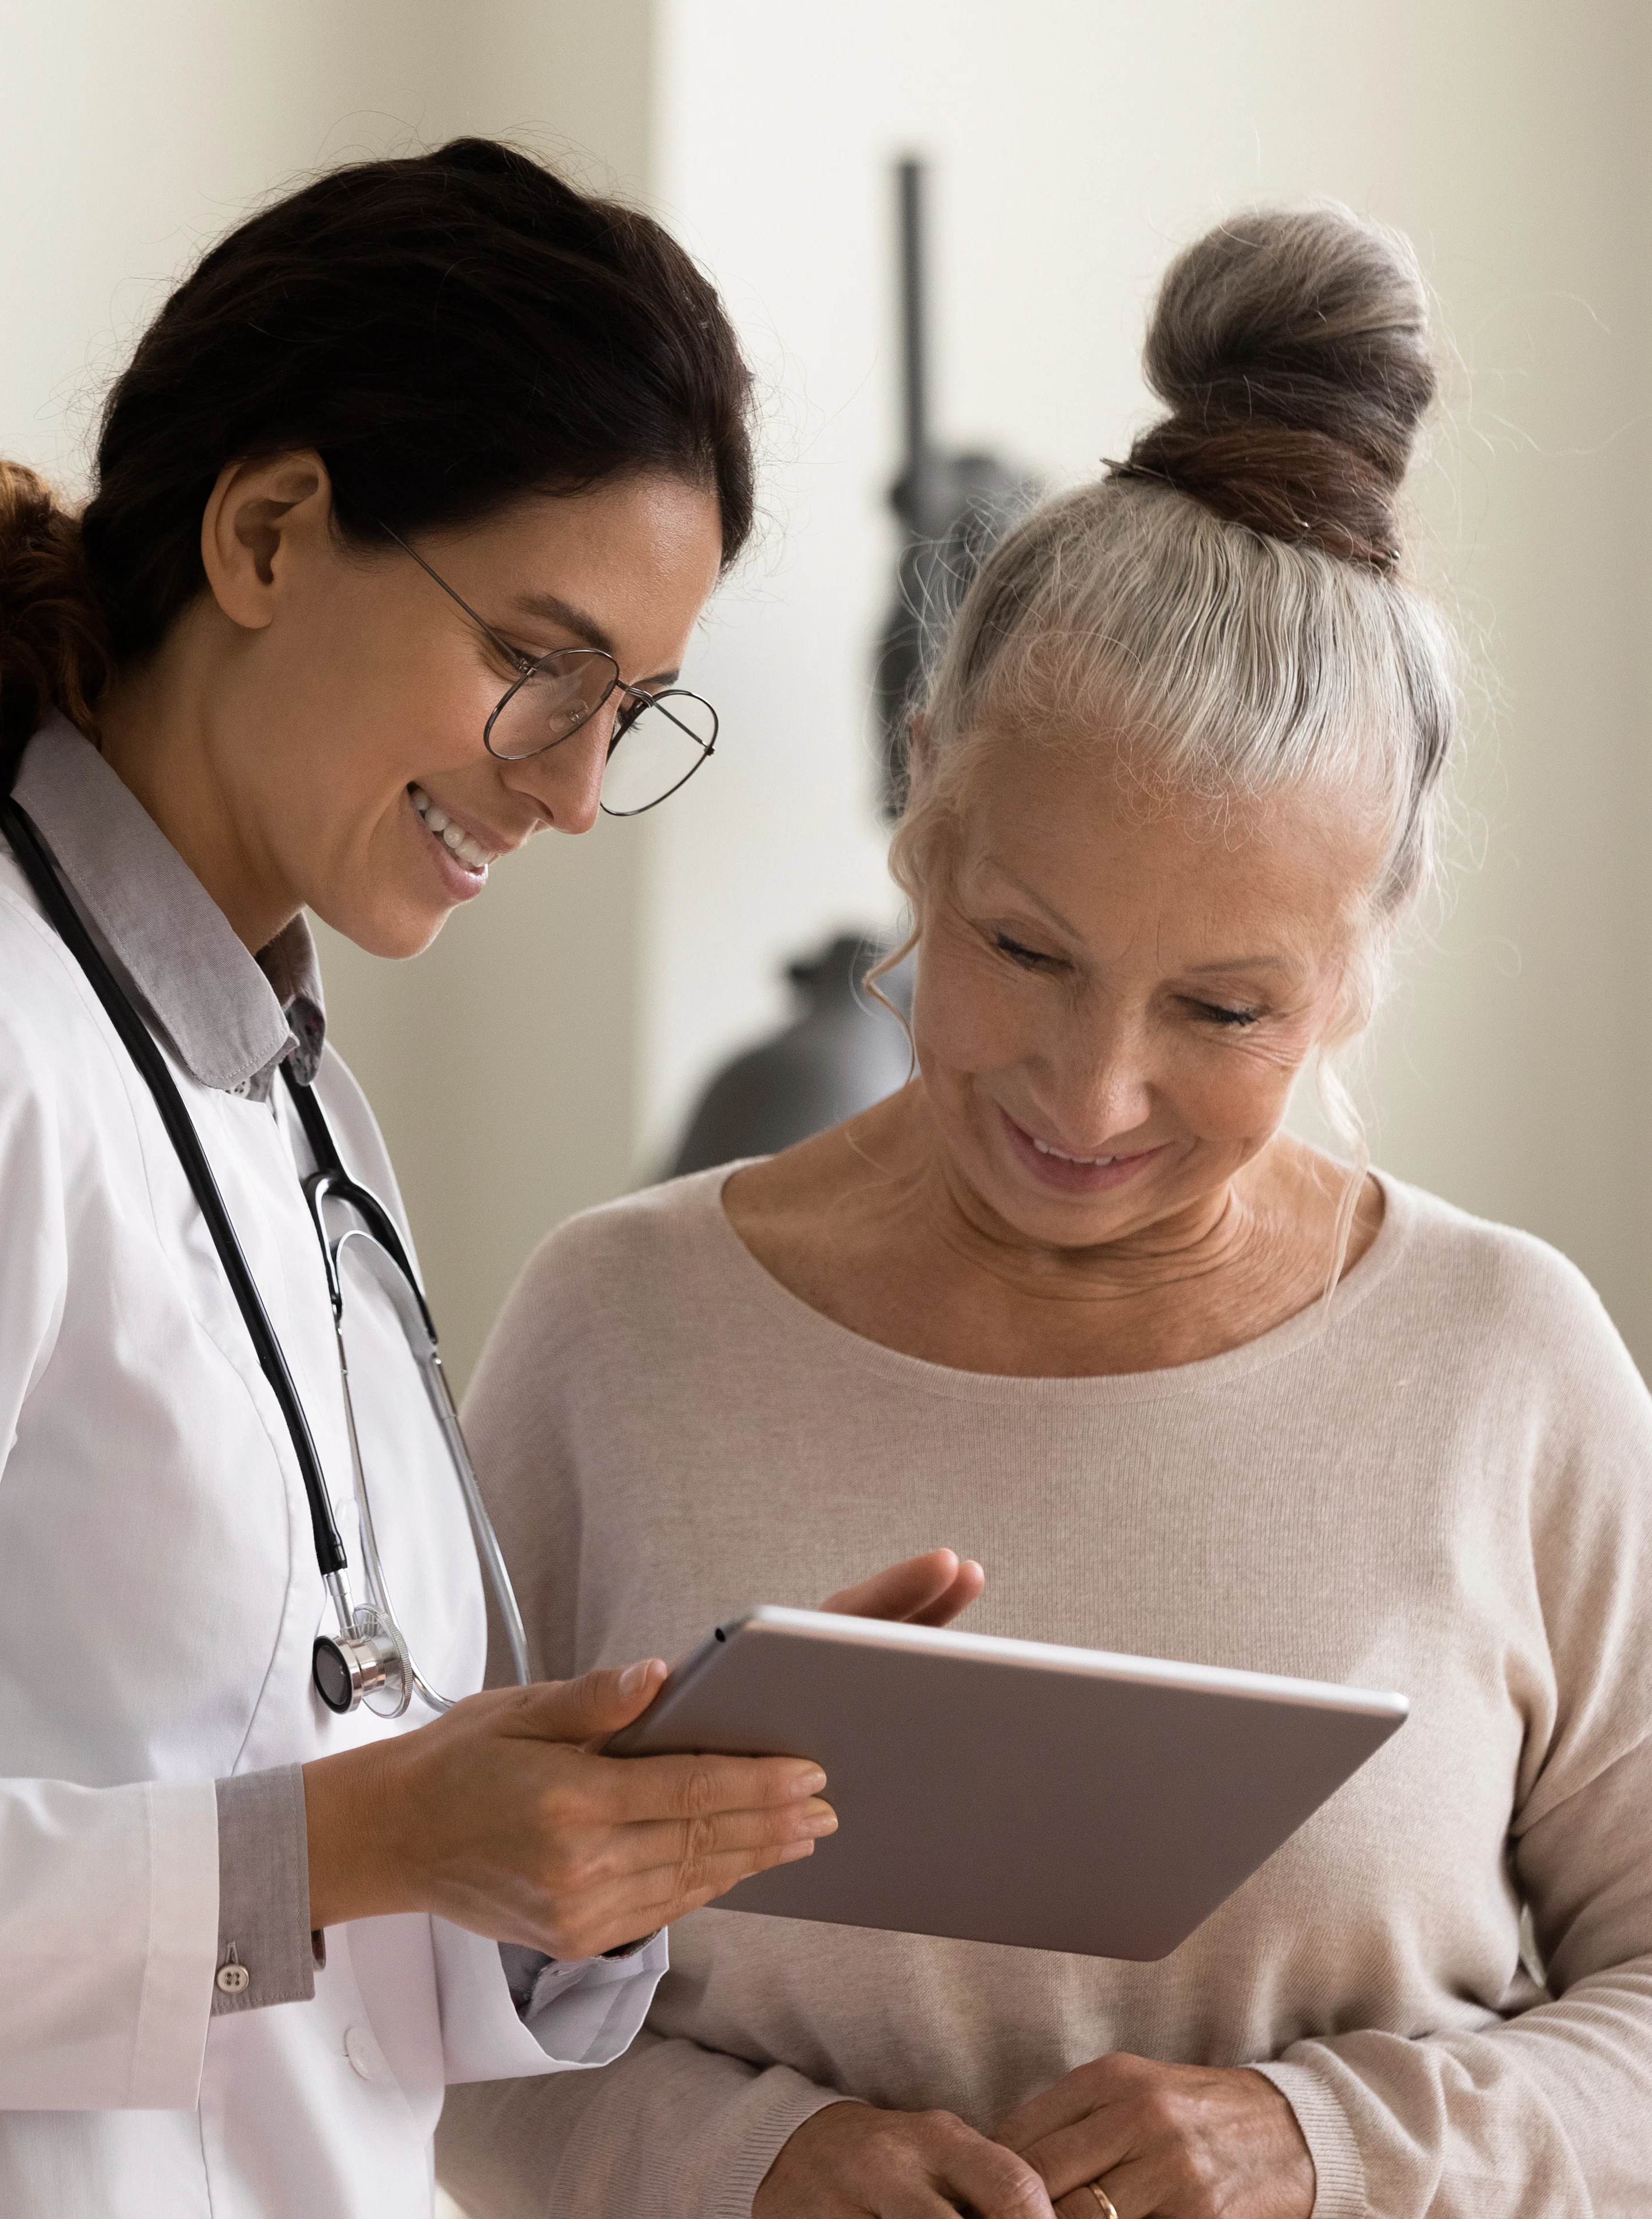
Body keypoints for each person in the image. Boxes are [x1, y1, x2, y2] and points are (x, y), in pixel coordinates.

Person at [0, 140, 981, 2219]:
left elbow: (307, 1942)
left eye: (634, 713)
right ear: (270, 531)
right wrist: (363, 1840)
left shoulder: (280, 1090)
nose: (578, 789)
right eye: (543, 663)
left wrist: (589, 1838)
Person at [436, 205, 1652, 2219]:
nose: (1090, 1095)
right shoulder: (617, 1328)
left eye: (1225, 1008)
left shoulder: (1505, 1366)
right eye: (1021, 945)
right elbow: (434, 1996)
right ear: (922, 800)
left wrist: (1326, 2148)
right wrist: (757, 2165)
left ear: (1363, 962)